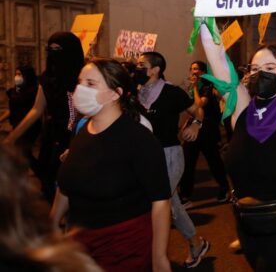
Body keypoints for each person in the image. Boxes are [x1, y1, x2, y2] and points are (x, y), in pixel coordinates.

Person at [186, 0, 276, 271]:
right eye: (255, 68)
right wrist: (203, 7)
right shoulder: (240, 107)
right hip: (247, 222)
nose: (261, 73)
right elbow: (216, 55)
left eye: (270, 67)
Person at [50, 58, 172, 271]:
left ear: (115, 93)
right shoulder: (83, 131)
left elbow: (160, 202)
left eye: (90, 84)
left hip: (123, 247)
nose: (80, 89)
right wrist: (51, 223)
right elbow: (66, 186)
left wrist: (159, 257)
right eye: (80, 82)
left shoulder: (139, 139)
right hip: (80, 244)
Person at [134, 52, 209, 268]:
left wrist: (196, 124)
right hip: (144, 156)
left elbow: (197, 111)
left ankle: (155, 256)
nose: (137, 68)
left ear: (155, 69)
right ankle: (196, 243)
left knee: (160, 204)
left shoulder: (171, 92)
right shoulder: (136, 94)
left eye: (142, 65)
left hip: (169, 156)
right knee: (171, 204)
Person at [4, 32, 84, 203]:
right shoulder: (47, 79)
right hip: (53, 133)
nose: (53, 53)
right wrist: (12, 137)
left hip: (76, 133)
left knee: (71, 177)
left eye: (58, 49)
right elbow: (36, 110)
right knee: (48, 174)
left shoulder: (84, 78)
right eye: (51, 49)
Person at [179, 60, 229, 205]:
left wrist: (194, 88)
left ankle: (224, 188)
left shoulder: (207, 86)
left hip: (207, 128)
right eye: (192, 68)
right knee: (188, 160)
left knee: (213, 160)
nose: (193, 71)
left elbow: (200, 104)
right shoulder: (192, 86)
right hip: (193, 126)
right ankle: (185, 196)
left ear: (203, 71)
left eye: (197, 69)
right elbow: (192, 108)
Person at [0, 65, 41, 171]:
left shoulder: (34, 91)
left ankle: (43, 176)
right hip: (16, 124)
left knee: (24, 153)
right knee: (22, 154)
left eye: (20, 74)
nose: (17, 77)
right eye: (16, 74)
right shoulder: (14, 91)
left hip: (29, 126)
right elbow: (12, 110)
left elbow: (37, 110)